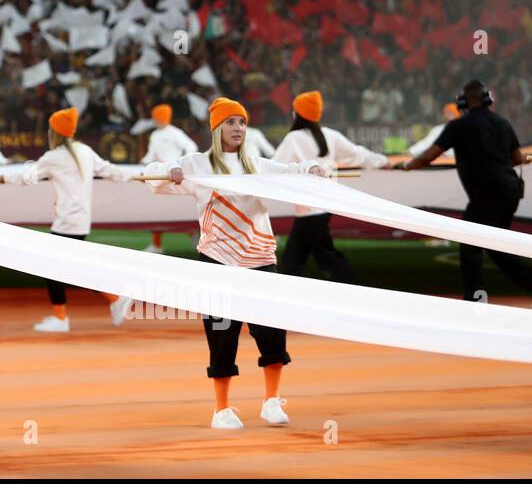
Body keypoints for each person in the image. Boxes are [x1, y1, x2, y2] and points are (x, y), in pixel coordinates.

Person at [143, 97, 328, 429]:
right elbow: (151, 175)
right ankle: (222, 409)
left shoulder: (256, 164)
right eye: (231, 122)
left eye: (242, 122)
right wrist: (167, 171)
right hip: (216, 259)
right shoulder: (197, 164)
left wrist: (312, 168)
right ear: (217, 128)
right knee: (221, 334)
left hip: (259, 258)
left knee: (272, 332)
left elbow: (291, 171)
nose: (238, 128)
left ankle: (272, 401)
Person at [0, 107, 136, 332]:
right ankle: (113, 300)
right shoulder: (84, 151)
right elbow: (110, 170)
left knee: (54, 269)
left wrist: (5, 177)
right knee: (73, 269)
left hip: (67, 222)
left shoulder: (54, 157)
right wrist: (134, 175)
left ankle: (63, 318)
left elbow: (28, 176)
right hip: (78, 220)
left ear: (54, 132)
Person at [400, 80, 532, 303]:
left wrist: (404, 166)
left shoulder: (458, 126)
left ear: (461, 102)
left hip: (485, 193)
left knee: (470, 243)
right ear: (487, 100)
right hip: (509, 192)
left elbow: (428, 156)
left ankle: (473, 299)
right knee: (497, 246)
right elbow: (517, 158)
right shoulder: (502, 123)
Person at [272, 91, 389, 283]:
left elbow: (275, 166)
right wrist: (383, 161)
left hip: (310, 210)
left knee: (324, 258)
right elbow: (358, 154)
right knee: (296, 258)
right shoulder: (331, 136)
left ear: (297, 114)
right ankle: (291, 287)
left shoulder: (294, 138)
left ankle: (352, 287)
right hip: (321, 207)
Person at [139, 104, 198, 254]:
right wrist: (142, 164)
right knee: (158, 211)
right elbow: (150, 155)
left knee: (180, 211)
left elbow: (192, 146)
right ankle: (156, 245)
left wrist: (180, 163)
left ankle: (196, 239)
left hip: (174, 178)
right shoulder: (154, 135)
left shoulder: (175, 133)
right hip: (160, 177)